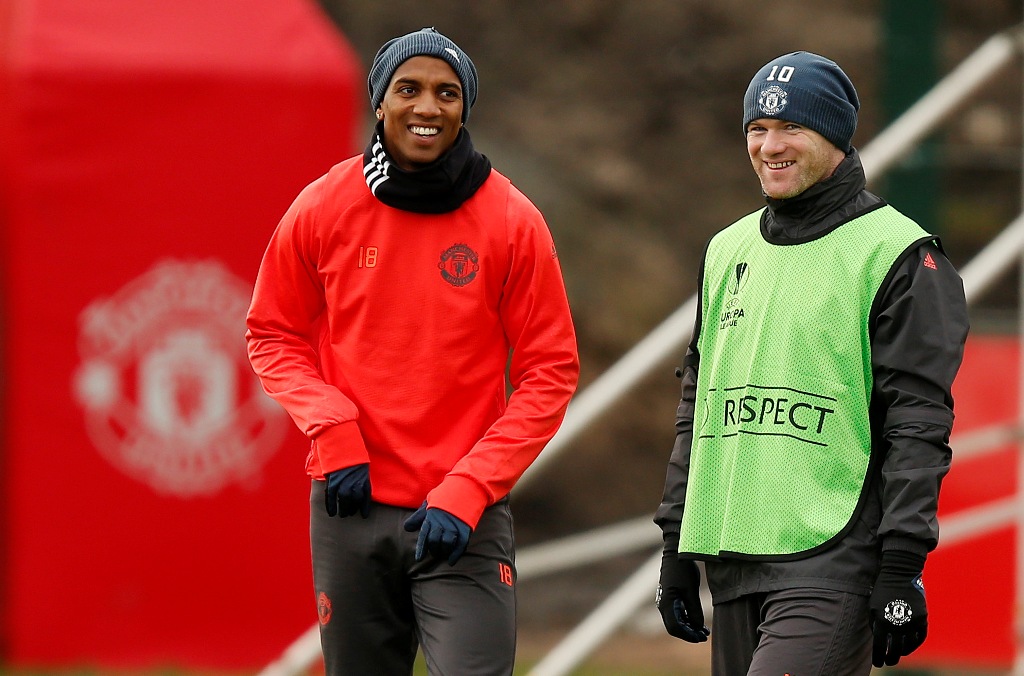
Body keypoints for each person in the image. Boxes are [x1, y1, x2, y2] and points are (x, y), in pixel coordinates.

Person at [245, 27, 579, 676]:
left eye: (446, 93)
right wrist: (331, 425)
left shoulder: (512, 220)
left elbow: (550, 373)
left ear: (464, 109)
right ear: (379, 103)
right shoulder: (323, 206)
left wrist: (472, 486)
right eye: (410, 89)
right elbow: (272, 333)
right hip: (349, 506)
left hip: (463, 518)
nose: (428, 106)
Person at [654, 51, 968, 674]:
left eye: (792, 128)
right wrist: (676, 543)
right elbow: (700, 400)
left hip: (835, 559)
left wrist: (902, 566)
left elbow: (918, 422)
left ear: (835, 137)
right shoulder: (726, 250)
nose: (770, 145)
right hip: (733, 553)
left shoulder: (899, 255)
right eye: (756, 129)